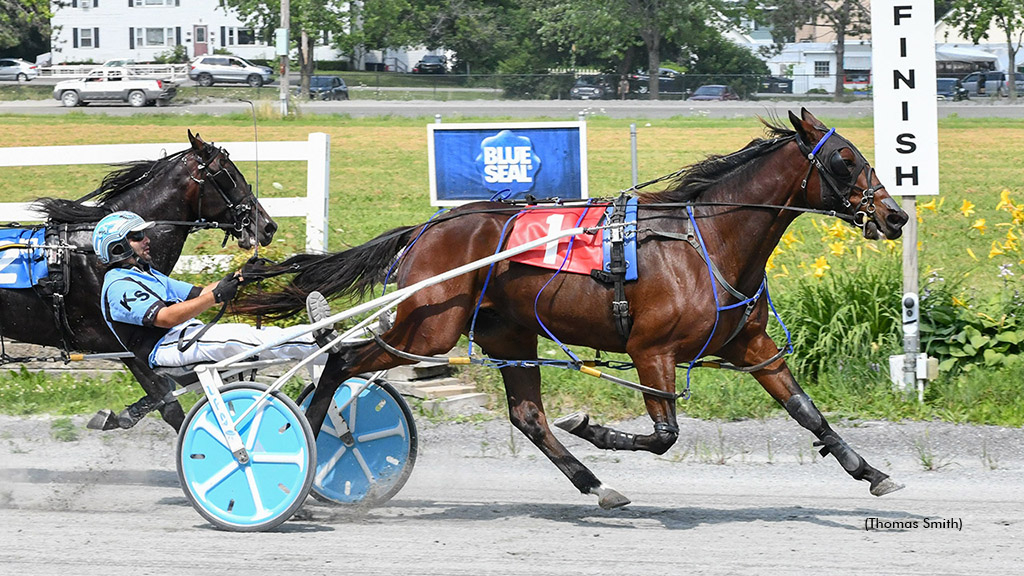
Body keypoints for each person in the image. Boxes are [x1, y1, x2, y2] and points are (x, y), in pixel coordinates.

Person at [92, 210, 339, 369]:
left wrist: (241, 276)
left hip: (184, 337)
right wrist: (216, 296)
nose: (147, 239)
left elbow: (198, 294)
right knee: (245, 338)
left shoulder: (144, 273)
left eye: (144, 233)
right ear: (117, 247)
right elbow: (166, 318)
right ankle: (325, 344)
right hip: (165, 348)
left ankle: (332, 344)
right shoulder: (118, 287)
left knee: (252, 335)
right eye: (137, 236)